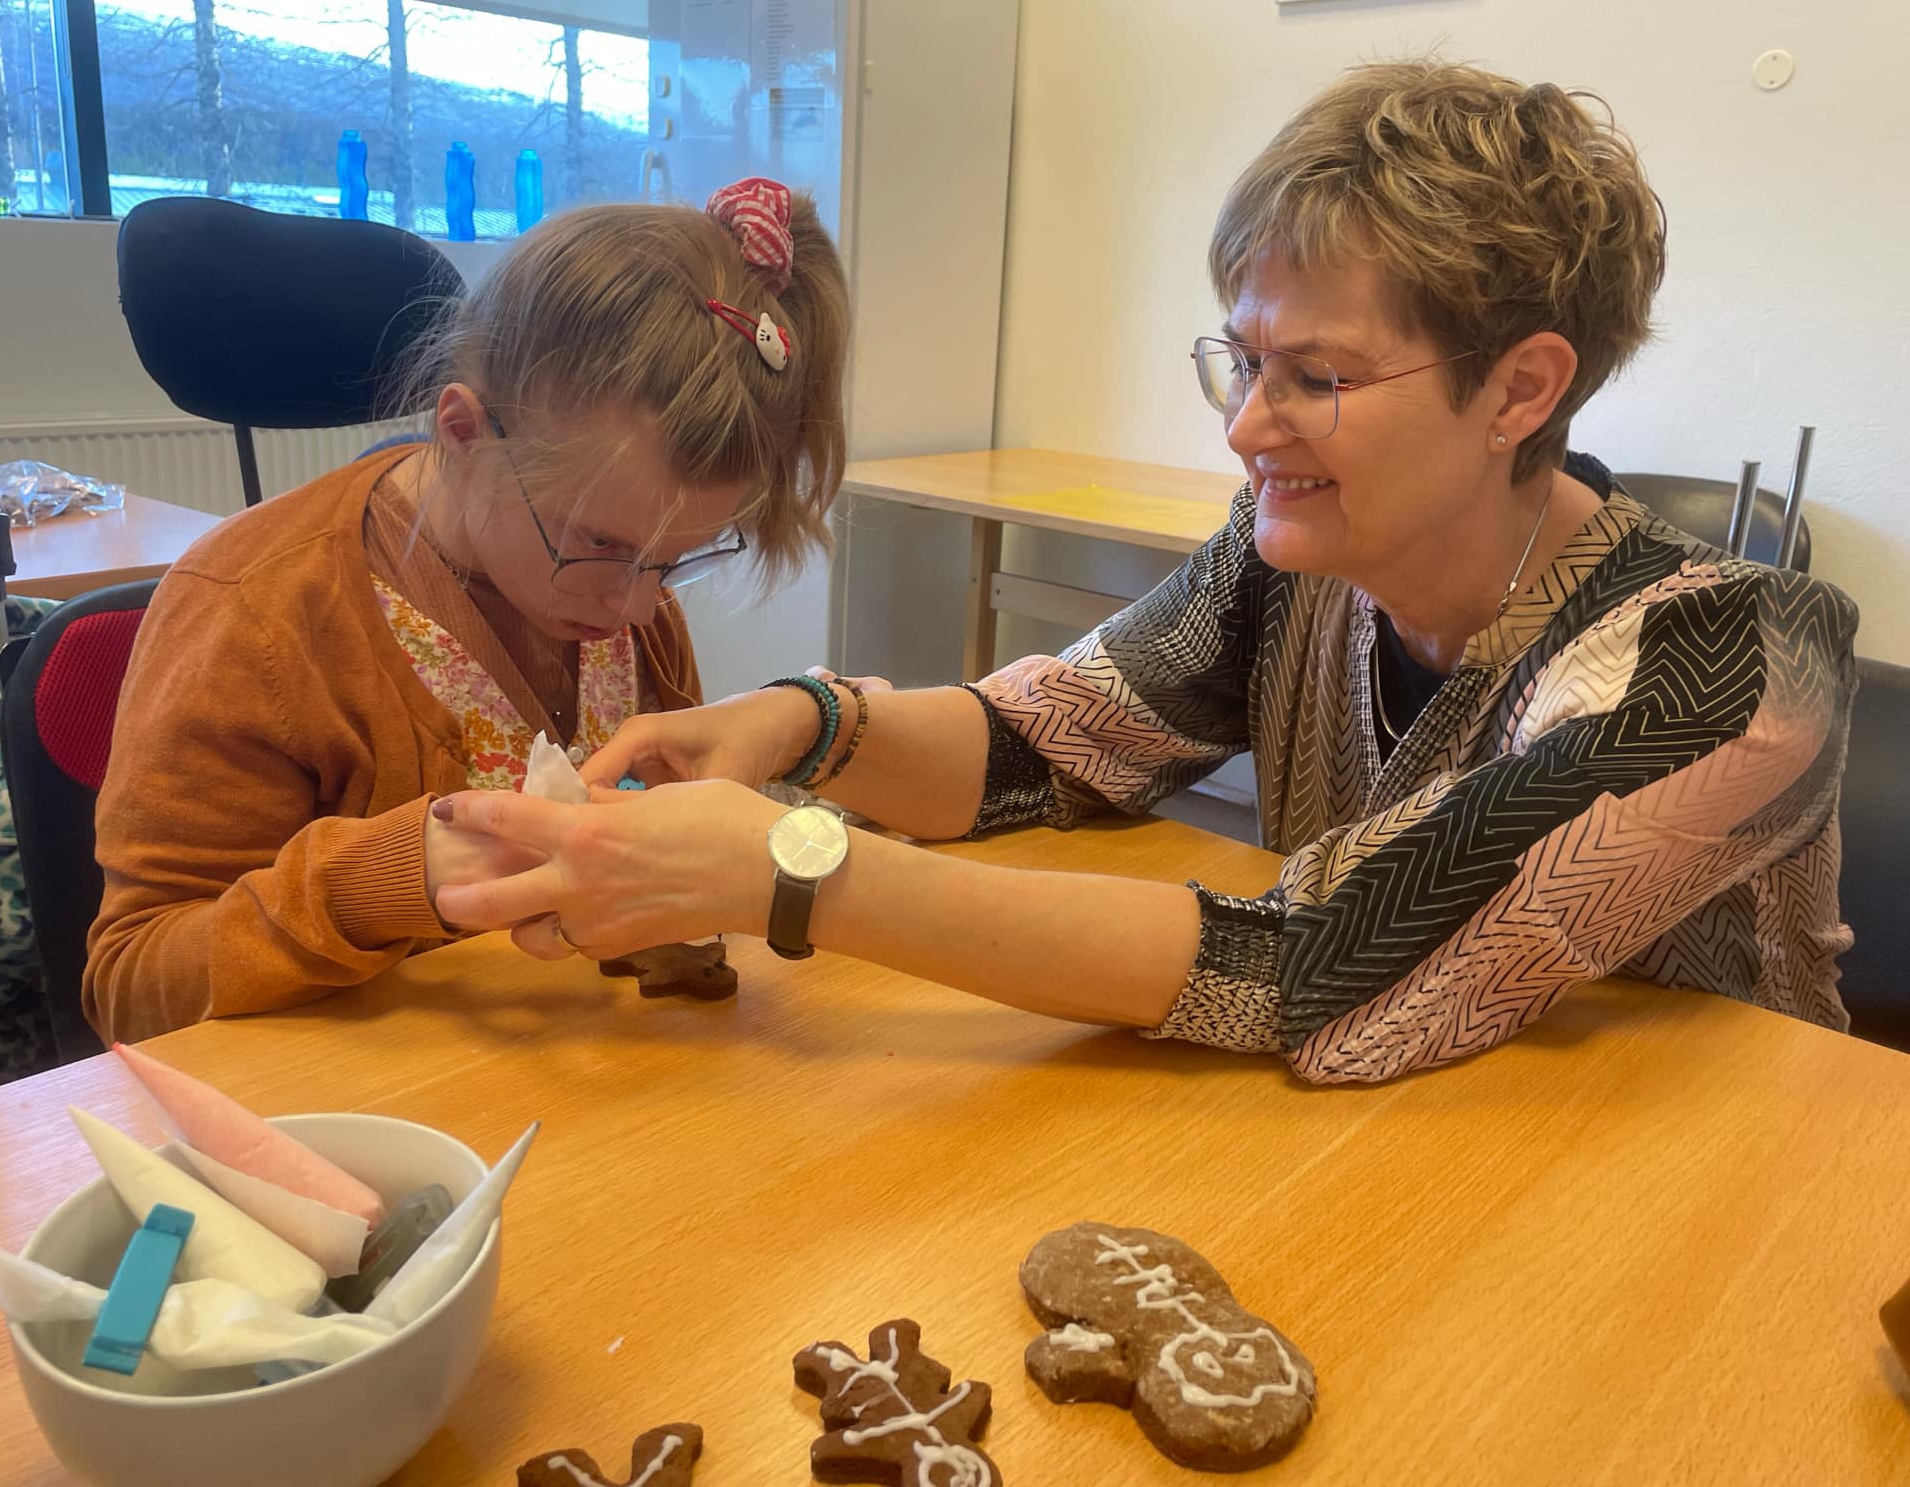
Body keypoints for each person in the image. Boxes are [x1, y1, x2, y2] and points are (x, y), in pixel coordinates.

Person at [432, 61, 1858, 1084]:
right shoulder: (1296, 558)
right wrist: (801, 725)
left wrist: (799, 870)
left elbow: (1316, 959)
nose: (1246, 428)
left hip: (1715, 1192)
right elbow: (1042, 741)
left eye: (1317, 377)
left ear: (1520, 389)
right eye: (1243, 360)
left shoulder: (1736, 664)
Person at [84, 179, 852, 1043]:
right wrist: (397, 876)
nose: (637, 605)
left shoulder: (624, 592)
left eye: (675, 560)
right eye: (598, 543)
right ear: (463, 433)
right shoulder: (257, 615)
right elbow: (134, 989)